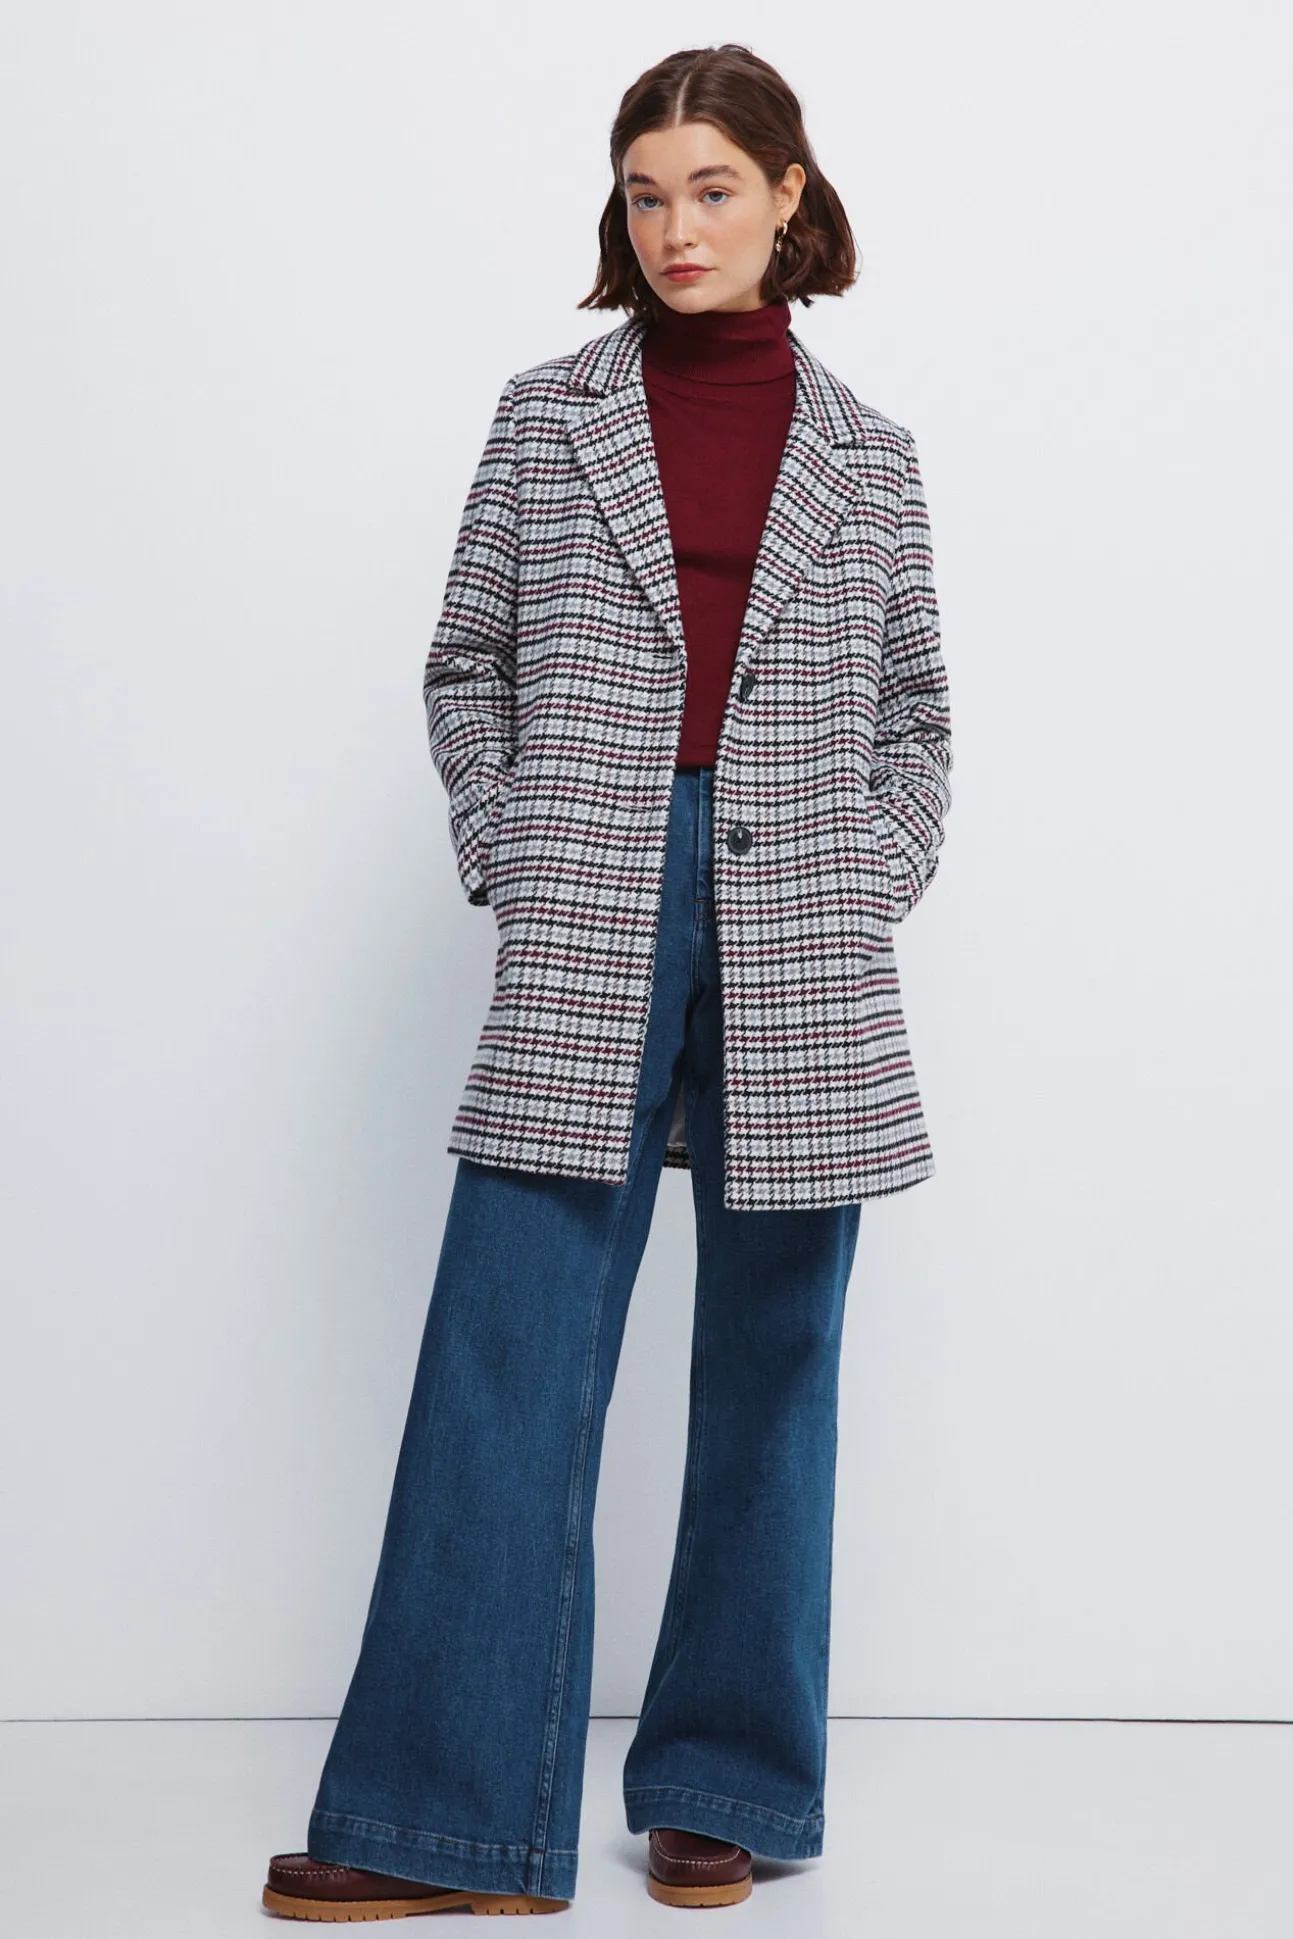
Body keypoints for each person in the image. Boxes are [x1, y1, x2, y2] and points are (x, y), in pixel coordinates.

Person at [262, 39, 952, 1921]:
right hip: (592, 892)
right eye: (647, 194)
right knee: (510, 1340)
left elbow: (919, 722)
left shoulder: (875, 458)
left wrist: (865, 883)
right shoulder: (545, 417)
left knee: (774, 1359)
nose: (676, 228)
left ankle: (724, 1782)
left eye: (713, 189)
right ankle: (437, 1815)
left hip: (800, 919)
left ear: (788, 197)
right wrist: (518, 850)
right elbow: (465, 664)